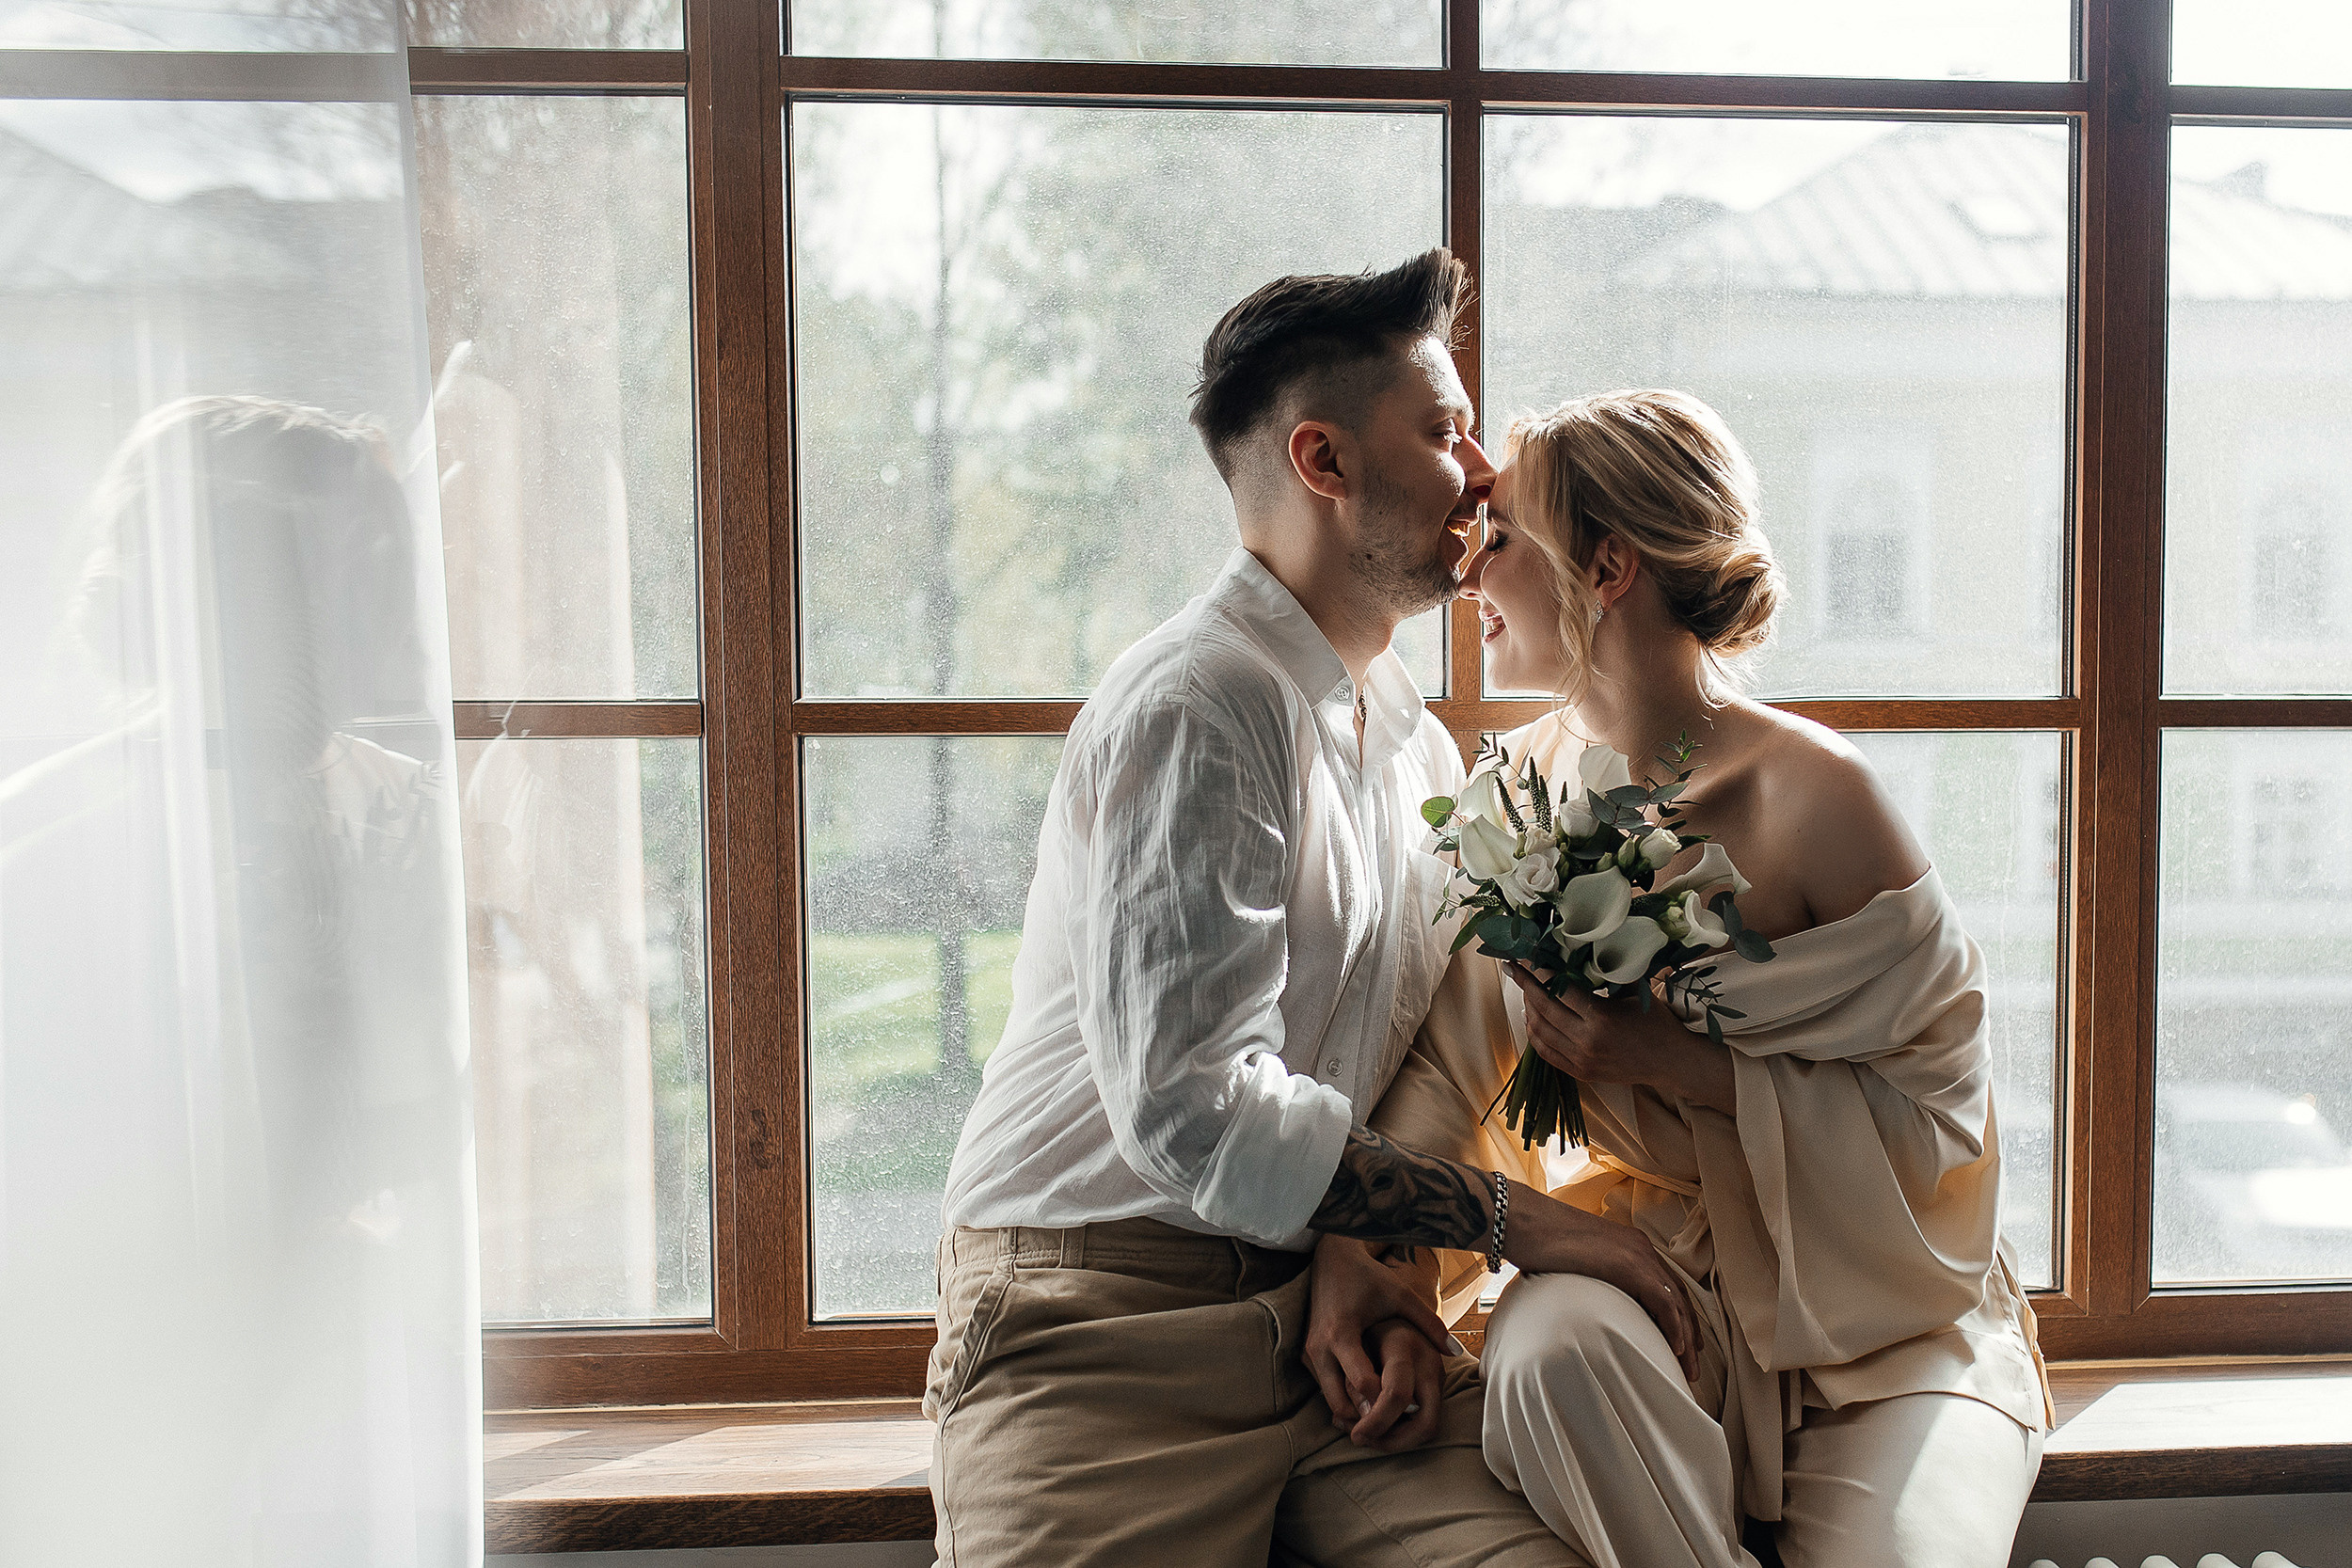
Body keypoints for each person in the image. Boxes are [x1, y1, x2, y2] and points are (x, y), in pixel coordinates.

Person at [927, 253, 1701, 1568]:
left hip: (1333, 1335)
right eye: (1444, 429)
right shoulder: (1198, 706)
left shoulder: (1418, 747)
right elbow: (1194, 1108)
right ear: (1324, 462)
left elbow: (1409, 1055)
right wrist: (1537, 1223)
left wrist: (1374, 1258)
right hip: (1102, 1336)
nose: (1483, 473)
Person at [1365, 388, 2051, 1568]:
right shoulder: (1518, 797)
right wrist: (1361, 1260)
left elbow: (1941, 1127)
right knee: (1546, 1348)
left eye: (1506, 540)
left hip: (1882, 1318)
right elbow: (1447, 1069)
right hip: (1652, 1284)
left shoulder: (1817, 799)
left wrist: (1675, 1064)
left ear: (1608, 565)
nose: (1471, 574)